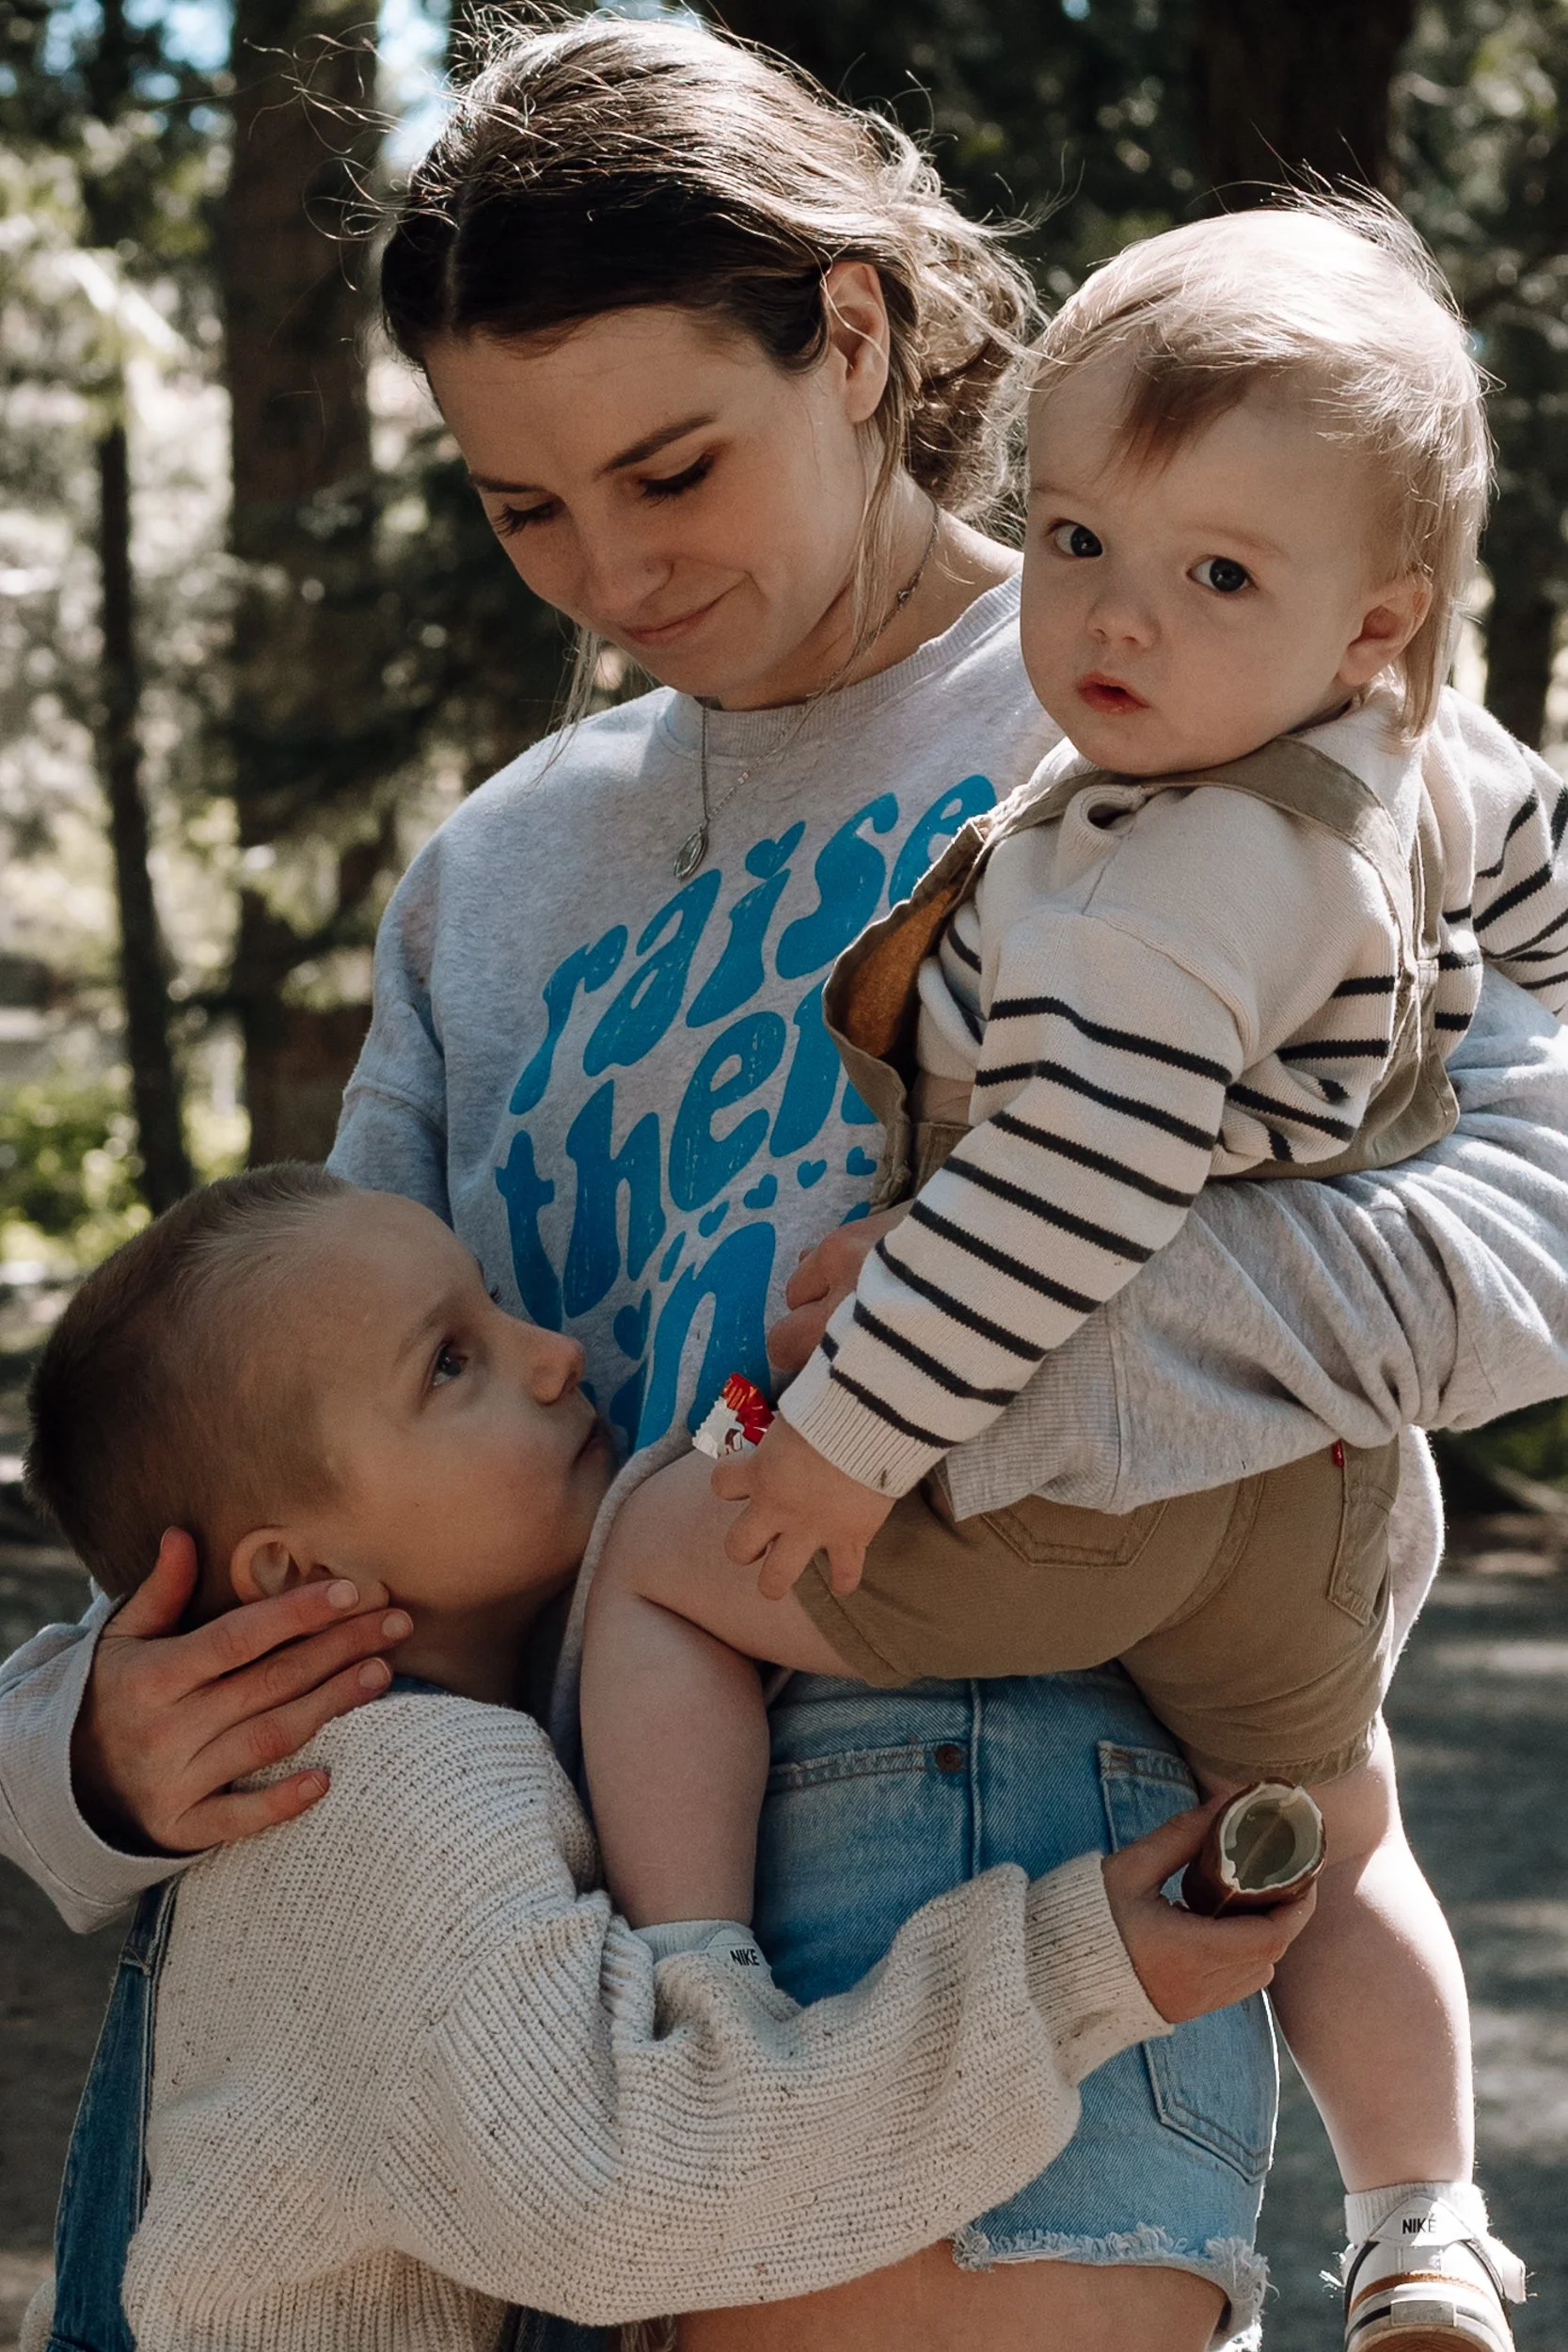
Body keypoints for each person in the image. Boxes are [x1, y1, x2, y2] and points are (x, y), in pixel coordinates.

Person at [1, 20, 1566, 2352]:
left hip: (1015, 1806)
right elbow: (309, 1405)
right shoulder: (497, 873)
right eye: (524, 508)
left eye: (668, 467)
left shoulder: (1201, 642)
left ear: (849, 336)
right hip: (548, 1983)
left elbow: (1531, 1217)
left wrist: (1045, 1336)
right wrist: (88, 1754)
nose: (614, 572)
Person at [578, 200, 1555, 2352]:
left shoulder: (1164, 893)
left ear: (1369, 613)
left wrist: (838, 1445)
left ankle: (687, 1980)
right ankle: (1419, 2216)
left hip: (1061, 1473)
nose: (1115, 623)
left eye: (1215, 575)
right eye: (1080, 537)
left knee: (659, 1557)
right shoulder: (1409, 748)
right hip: (1302, 1493)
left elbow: (1059, 1192)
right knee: (1342, 1818)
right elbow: (1540, 872)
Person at [19, 1166, 1306, 2352]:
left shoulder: (354, 1797)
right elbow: (621, 2193)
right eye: (451, 1362)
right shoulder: (385, 1807)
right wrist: (1074, 1971)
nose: (556, 1356)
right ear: (299, 1575)